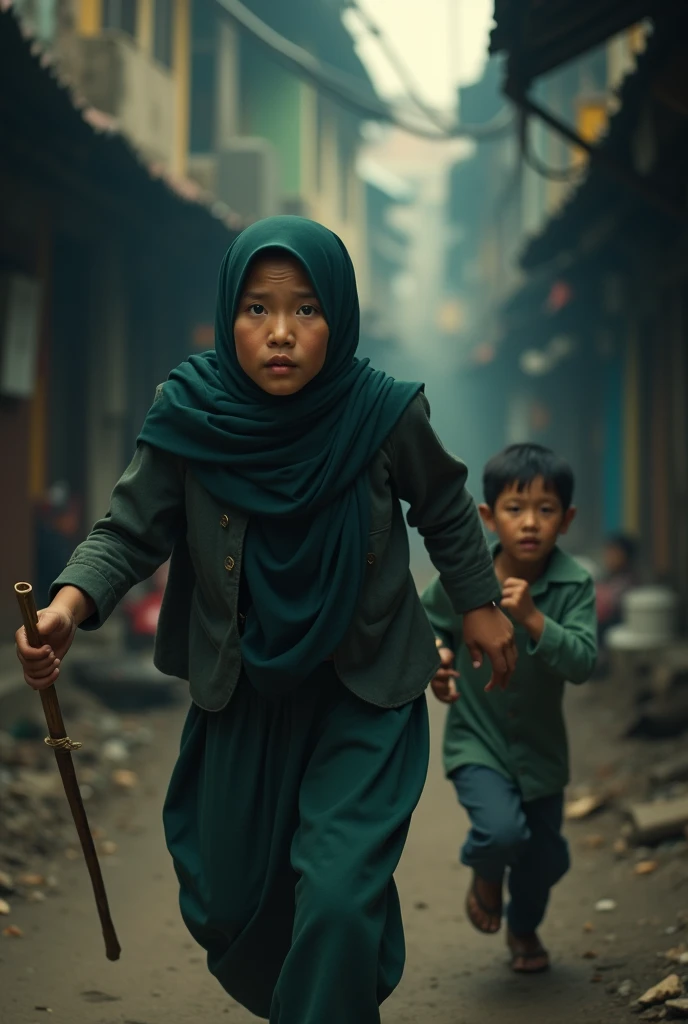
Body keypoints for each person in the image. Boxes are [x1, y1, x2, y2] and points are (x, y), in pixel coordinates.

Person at [15, 217, 517, 1024]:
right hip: (244, 688)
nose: (280, 333)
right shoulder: (191, 413)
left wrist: (480, 604)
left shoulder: (382, 413)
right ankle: (332, 983)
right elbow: (129, 527)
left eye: (307, 310)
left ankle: (334, 978)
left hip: (364, 690)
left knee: (337, 895)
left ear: (340, 317)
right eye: (257, 309)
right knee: (230, 904)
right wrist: (68, 606)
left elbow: (446, 507)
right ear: (228, 315)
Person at [421, 443, 597, 975]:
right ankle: (486, 872)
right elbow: (428, 623)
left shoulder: (574, 584)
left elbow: (584, 661)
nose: (529, 523)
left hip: (542, 754)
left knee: (543, 861)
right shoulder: (466, 577)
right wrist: (438, 656)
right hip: (478, 741)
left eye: (545, 511)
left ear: (565, 520)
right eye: (514, 509)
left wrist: (536, 619)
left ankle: (524, 929)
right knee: (500, 833)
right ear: (487, 517)